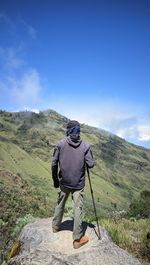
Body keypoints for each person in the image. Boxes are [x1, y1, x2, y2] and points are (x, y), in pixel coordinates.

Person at [51, 120, 94, 249]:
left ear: (68, 131)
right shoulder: (85, 146)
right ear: (78, 131)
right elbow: (91, 164)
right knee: (77, 209)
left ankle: (55, 227)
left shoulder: (60, 144)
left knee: (60, 204)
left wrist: (55, 180)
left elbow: (53, 164)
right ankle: (77, 239)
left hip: (64, 182)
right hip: (78, 184)